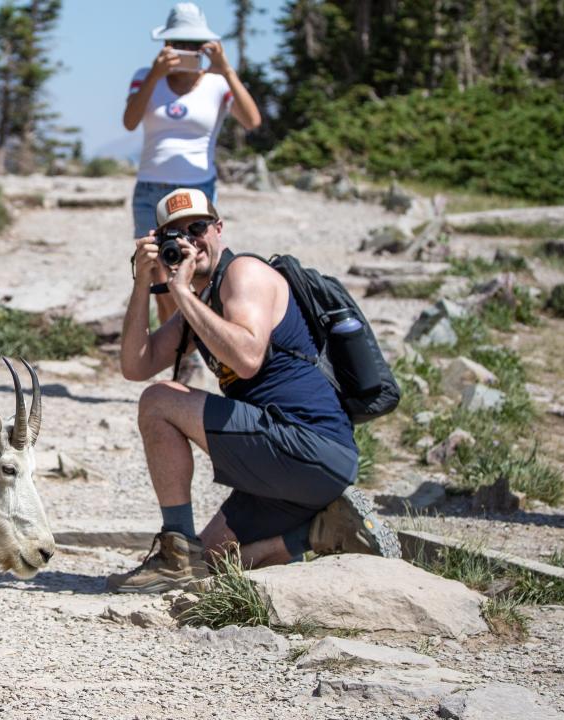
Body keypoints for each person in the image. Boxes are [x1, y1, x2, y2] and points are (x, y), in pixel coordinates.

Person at [106, 188, 399, 593]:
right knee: (209, 564)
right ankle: (318, 532)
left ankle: (175, 549)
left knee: (159, 401)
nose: (190, 241)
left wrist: (181, 292)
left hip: (307, 443)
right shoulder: (202, 300)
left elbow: (246, 357)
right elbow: (136, 364)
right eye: (175, 234)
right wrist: (143, 284)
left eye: (198, 228)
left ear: (219, 229)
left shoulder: (244, 274)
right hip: (290, 466)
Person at [124, 3, 261, 280]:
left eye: (194, 43)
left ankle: (195, 324)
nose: (186, 49)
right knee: (159, 275)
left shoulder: (217, 83)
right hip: (151, 188)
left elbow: (251, 121)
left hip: (198, 189)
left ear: (205, 47)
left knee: (199, 273)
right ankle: (170, 325)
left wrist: (226, 71)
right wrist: (154, 74)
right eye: (178, 42)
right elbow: (130, 121)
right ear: (165, 43)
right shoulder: (145, 77)